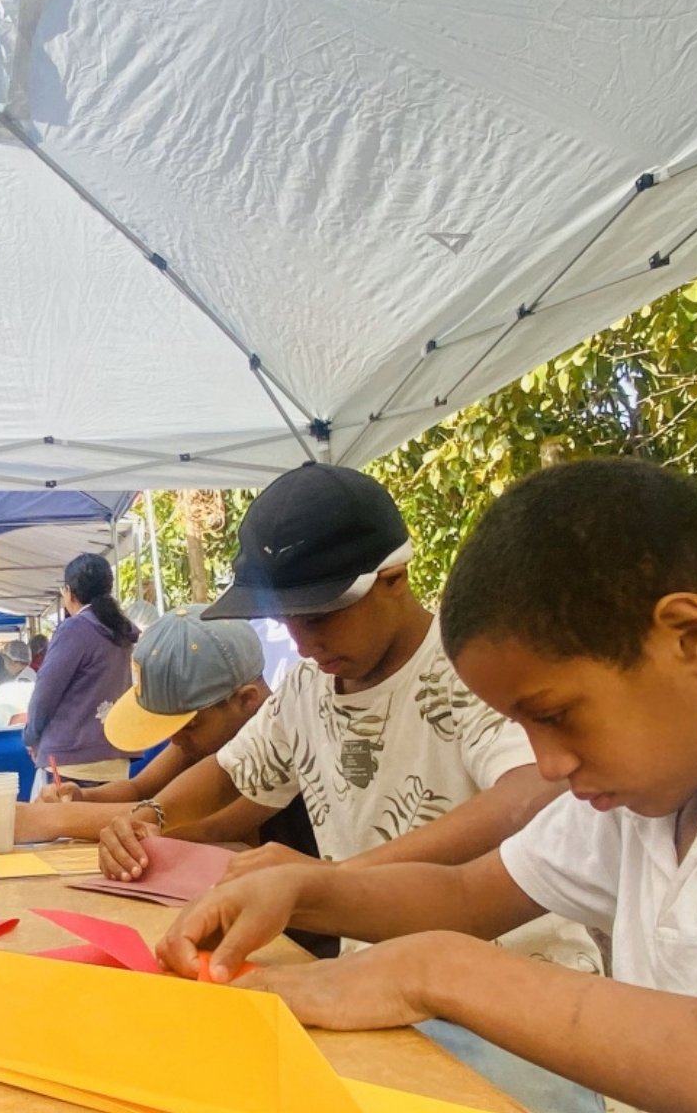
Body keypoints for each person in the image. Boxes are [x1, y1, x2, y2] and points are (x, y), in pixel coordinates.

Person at [161, 459, 697, 1113]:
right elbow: (468, 895)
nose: (545, 763)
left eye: (556, 715)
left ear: (690, 636)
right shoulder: (656, 795)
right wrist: (307, 890)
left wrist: (434, 973)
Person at [92, 464, 603, 1113]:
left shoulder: (472, 664)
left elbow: (529, 793)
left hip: (519, 1011)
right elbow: (227, 772)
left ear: (394, 579)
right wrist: (150, 815)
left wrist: (330, 881)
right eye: (289, 620)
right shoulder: (308, 689)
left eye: (322, 615)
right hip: (373, 992)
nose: (304, 644)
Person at [20, 606, 318, 866]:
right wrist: (81, 797)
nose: (174, 740)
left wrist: (52, 819)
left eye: (187, 725)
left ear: (246, 700)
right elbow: (141, 790)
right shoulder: (198, 739)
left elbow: (201, 827)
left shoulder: (283, 741)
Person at [24, 555, 140, 790]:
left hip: (70, 759)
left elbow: (46, 691)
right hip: (116, 758)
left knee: (60, 827)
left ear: (68, 592)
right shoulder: (123, 632)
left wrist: (31, 735)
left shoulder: (75, 628)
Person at [0, 640, 36, 728]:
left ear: (14, 661)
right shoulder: (27, 674)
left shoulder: (24, 680)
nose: (4, 664)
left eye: (5, 660)